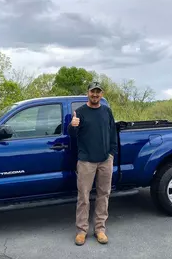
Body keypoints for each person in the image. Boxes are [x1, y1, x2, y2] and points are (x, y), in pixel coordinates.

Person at [68, 81, 118, 246]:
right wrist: (72, 126)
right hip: (86, 161)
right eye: (92, 92)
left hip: (105, 160)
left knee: (104, 195)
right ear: (87, 93)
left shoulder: (106, 111)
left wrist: (111, 153)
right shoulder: (80, 112)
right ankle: (81, 231)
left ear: (101, 94)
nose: (95, 95)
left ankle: (100, 229)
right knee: (83, 197)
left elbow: (113, 134)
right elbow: (73, 135)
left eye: (98, 92)